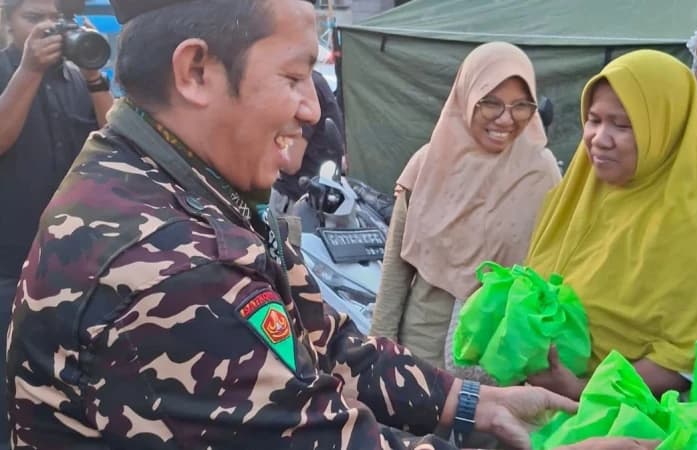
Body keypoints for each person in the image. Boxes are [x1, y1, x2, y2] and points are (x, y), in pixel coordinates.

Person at [7, 1, 581, 448]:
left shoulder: (180, 185)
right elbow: (320, 436)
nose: (312, 108)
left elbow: (323, 341)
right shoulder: (169, 266)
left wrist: (472, 402)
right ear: (196, 71)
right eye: (293, 76)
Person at [524, 50, 697, 400]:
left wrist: (581, 391)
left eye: (622, 125)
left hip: (621, 416)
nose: (599, 138)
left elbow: (687, 357)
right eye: (593, 120)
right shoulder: (578, 194)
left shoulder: (695, 233)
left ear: (665, 130)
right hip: (541, 401)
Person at [370, 42, 562, 371]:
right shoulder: (428, 164)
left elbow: (549, 275)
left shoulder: (541, 173)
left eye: (520, 106)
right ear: (467, 97)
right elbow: (395, 273)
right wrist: (379, 350)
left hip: (497, 361)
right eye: (491, 103)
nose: (506, 119)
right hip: (420, 355)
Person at [0, 0, 112, 444]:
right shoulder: (6, 70)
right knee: (9, 381)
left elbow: (116, 136)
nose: (46, 27)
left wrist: (94, 74)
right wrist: (28, 70)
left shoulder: (76, 78)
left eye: (54, 18)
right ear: (7, 22)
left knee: (69, 382)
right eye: (33, 18)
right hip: (10, 261)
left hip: (75, 261)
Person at [270, 69, 345, 214]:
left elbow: (290, 163)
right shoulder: (312, 80)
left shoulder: (303, 89)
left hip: (296, 201)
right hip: (315, 197)